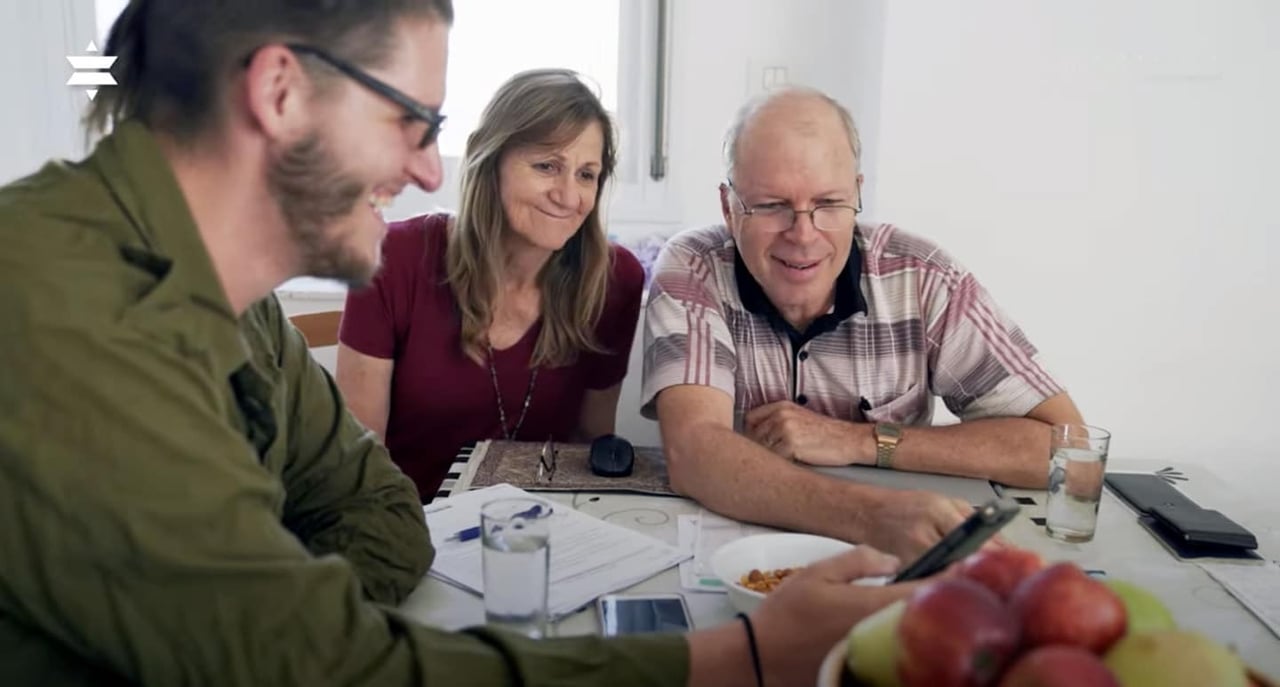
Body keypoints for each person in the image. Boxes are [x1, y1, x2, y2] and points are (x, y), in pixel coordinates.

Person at [0, 2, 923, 684]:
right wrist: (748, 655)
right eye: (410, 120)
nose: (427, 167)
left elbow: (378, 511)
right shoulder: (59, 309)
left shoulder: (243, 313)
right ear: (280, 91)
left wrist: (286, 618)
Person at [642, 87, 1085, 561]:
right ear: (729, 208)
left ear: (857, 192)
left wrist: (857, 440)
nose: (804, 235)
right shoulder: (692, 266)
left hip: (898, 557)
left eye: (829, 203)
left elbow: (1068, 452)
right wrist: (874, 517)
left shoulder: (923, 275)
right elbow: (693, 452)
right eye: (772, 206)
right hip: (749, 555)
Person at [336, 68, 644, 502]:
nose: (569, 195)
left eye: (586, 174)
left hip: (541, 532)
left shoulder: (616, 281)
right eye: (547, 166)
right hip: (409, 526)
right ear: (490, 161)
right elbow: (359, 462)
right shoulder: (393, 258)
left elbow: (589, 443)